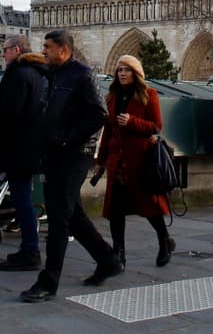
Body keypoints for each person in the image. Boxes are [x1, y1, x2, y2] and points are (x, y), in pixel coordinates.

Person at [20, 29, 120, 303]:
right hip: (53, 153)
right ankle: (108, 260)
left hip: (75, 154)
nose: (43, 51)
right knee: (72, 214)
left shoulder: (82, 74)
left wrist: (69, 139)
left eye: (48, 47)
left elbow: (99, 114)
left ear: (63, 50)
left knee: (59, 218)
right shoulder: (51, 75)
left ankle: (48, 282)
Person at [93, 54, 175, 268]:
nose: (122, 74)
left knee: (149, 206)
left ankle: (164, 240)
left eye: (127, 70)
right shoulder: (111, 97)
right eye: (119, 70)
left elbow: (155, 126)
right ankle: (118, 252)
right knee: (115, 210)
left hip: (140, 159)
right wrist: (101, 161)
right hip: (117, 161)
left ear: (136, 73)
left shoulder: (149, 94)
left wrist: (132, 122)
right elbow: (108, 131)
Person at [0, 35, 49, 271]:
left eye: (5, 49)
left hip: (18, 145)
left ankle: (30, 250)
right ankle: (29, 248)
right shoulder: (39, 74)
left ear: (17, 50)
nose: (3, 54)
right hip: (32, 144)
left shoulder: (19, 74)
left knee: (21, 197)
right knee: (23, 196)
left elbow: (12, 111)